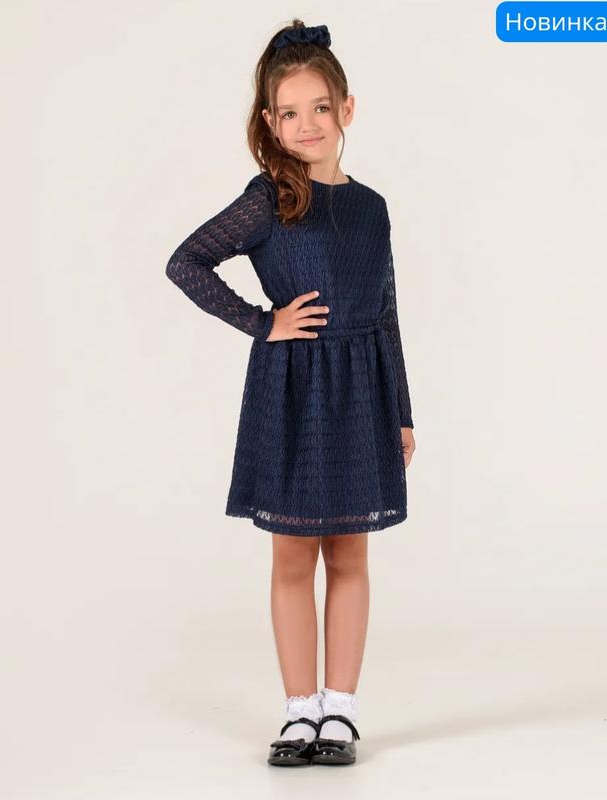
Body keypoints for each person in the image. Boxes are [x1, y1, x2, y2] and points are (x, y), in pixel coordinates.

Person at [165, 20, 416, 767]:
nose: (306, 125)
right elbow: (187, 262)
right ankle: (299, 711)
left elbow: (387, 309)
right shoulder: (269, 199)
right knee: (292, 558)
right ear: (270, 122)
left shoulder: (372, 207)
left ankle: (340, 712)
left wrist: (401, 412)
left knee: (349, 554)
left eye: (319, 107)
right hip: (294, 392)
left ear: (347, 109)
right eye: (288, 112)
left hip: (362, 393)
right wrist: (261, 322)